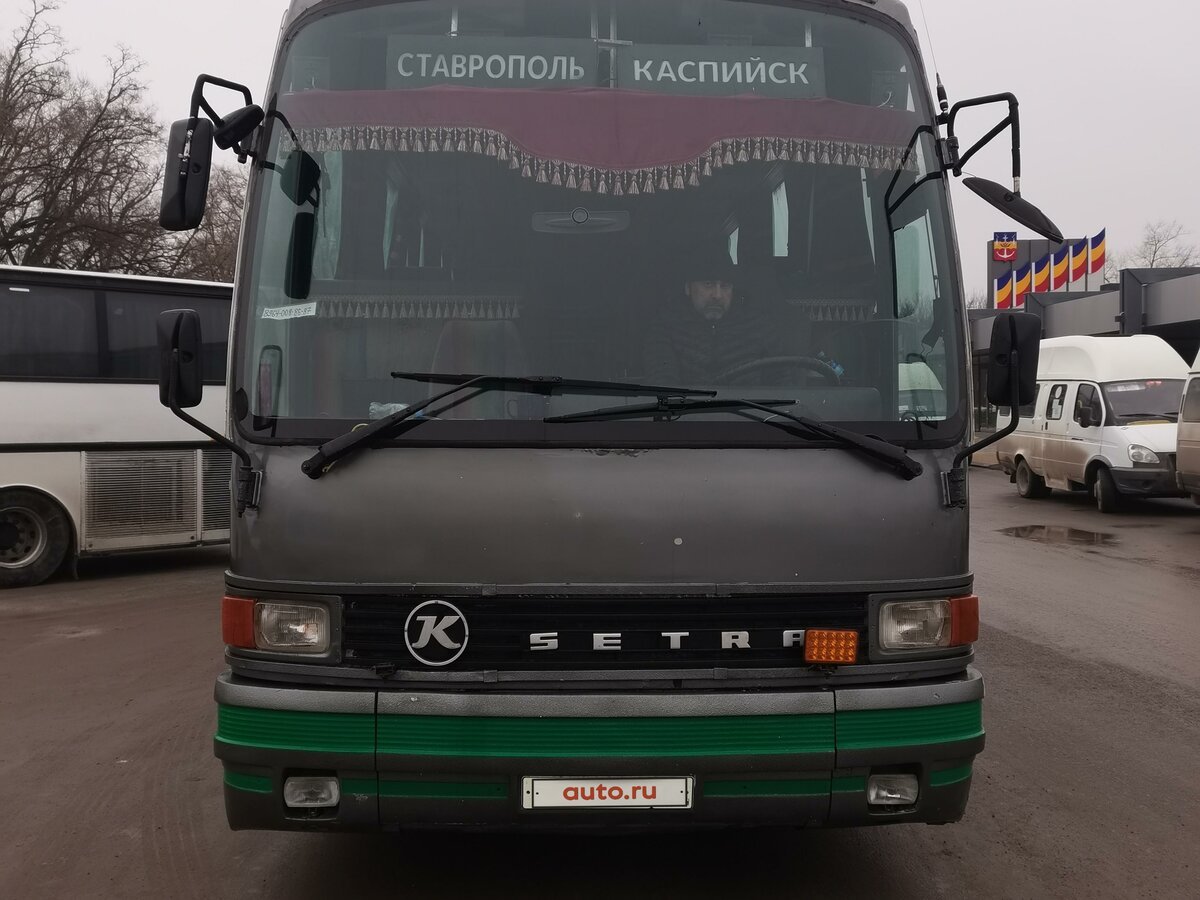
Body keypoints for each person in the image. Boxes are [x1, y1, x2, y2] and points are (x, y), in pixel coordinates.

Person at [642, 249, 784, 384]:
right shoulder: (666, 329)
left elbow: (782, 384)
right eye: (708, 284)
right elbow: (662, 385)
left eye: (725, 286)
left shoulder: (759, 328)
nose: (717, 295)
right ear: (688, 288)